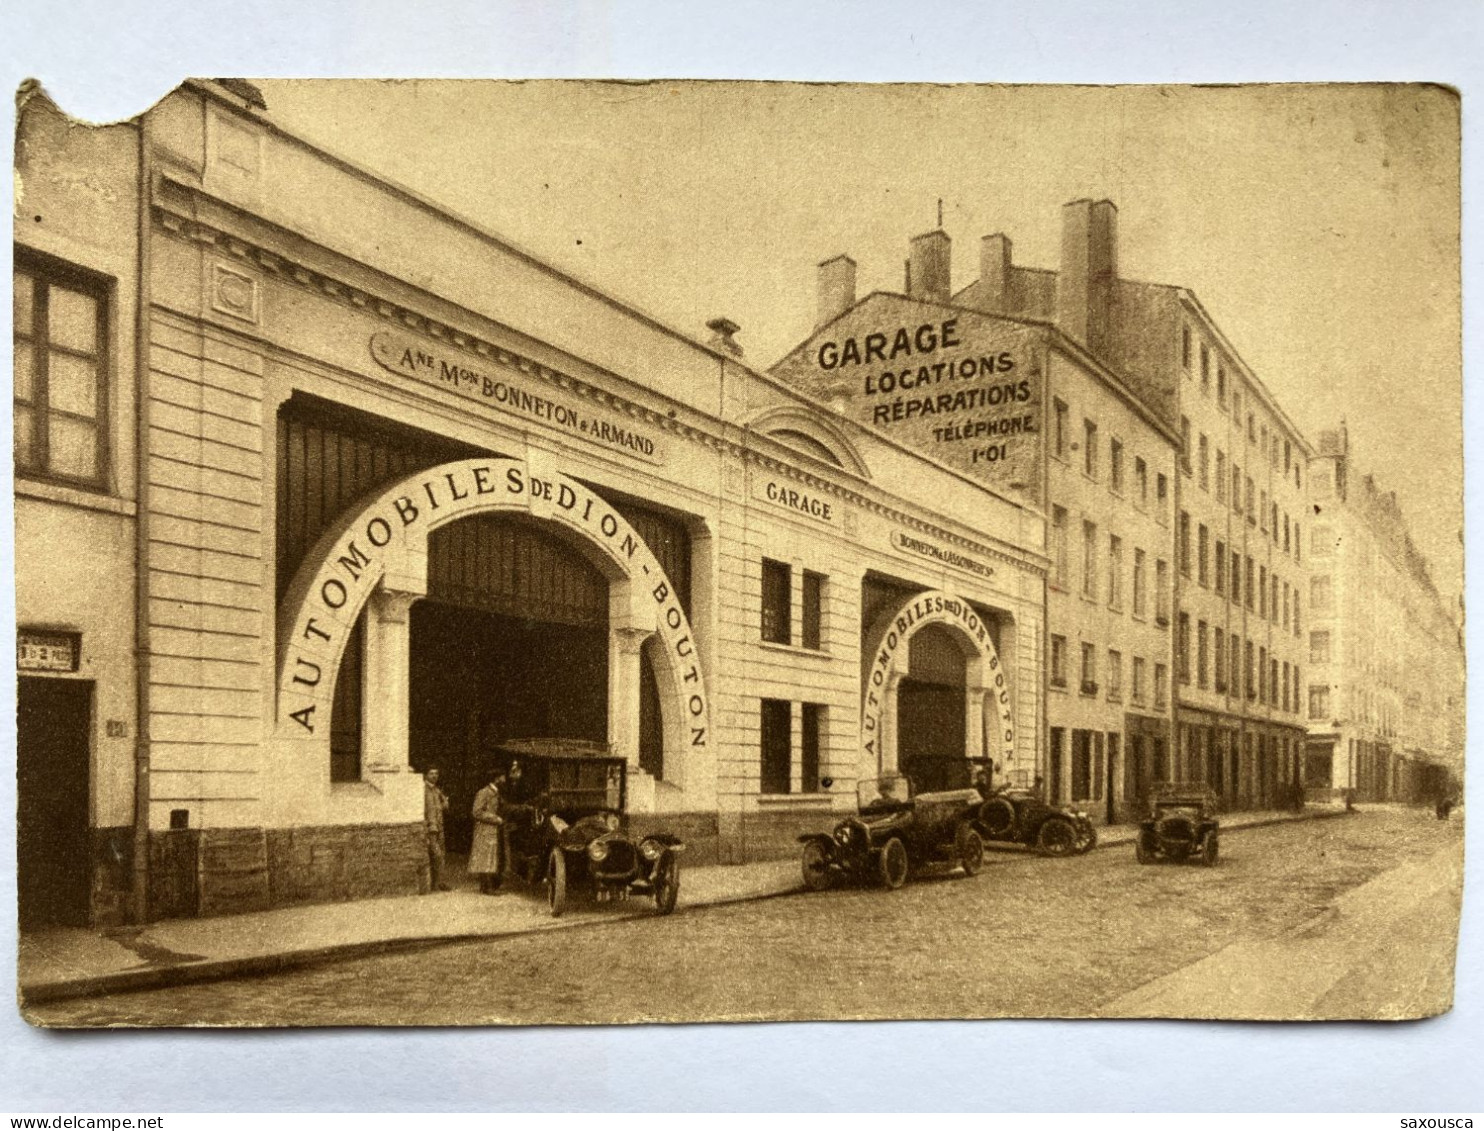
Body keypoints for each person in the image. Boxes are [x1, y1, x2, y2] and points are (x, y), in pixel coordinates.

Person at [470, 769, 506, 894]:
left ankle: (486, 886)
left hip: (492, 830)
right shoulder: (484, 792)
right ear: (496, 778)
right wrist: (495, 818)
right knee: (486, 857)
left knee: (490, 857)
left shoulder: (497, 793)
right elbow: (476, 812)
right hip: (484, 830)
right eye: (502, 777)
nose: (504, 780)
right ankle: (488, 888)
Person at [423, 767, 451, 891]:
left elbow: (442, 807)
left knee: (440, 854)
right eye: (431, 773)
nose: (434, 776)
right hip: (430, 827)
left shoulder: (437, 790)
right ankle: (432, 884)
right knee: (436, 854)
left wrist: (445, 803)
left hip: (439, 826)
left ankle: (439, 882)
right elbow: (428, 810)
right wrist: (431, 827)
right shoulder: (423, 789)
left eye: (436, 773)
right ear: (425, 775)